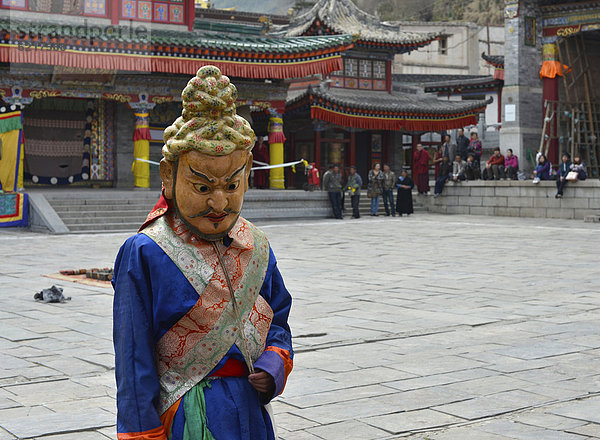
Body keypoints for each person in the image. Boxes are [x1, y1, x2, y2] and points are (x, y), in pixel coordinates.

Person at [112, 66, 293, 440]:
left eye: (232, 184)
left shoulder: (255, 245)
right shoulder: (145, 252)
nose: (219, 201)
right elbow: (134, 359)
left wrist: (275, 362)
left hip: (250, 408)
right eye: (202, 186)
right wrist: (142, 433)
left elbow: (279, 317)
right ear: (168, 175)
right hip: (184, 410)